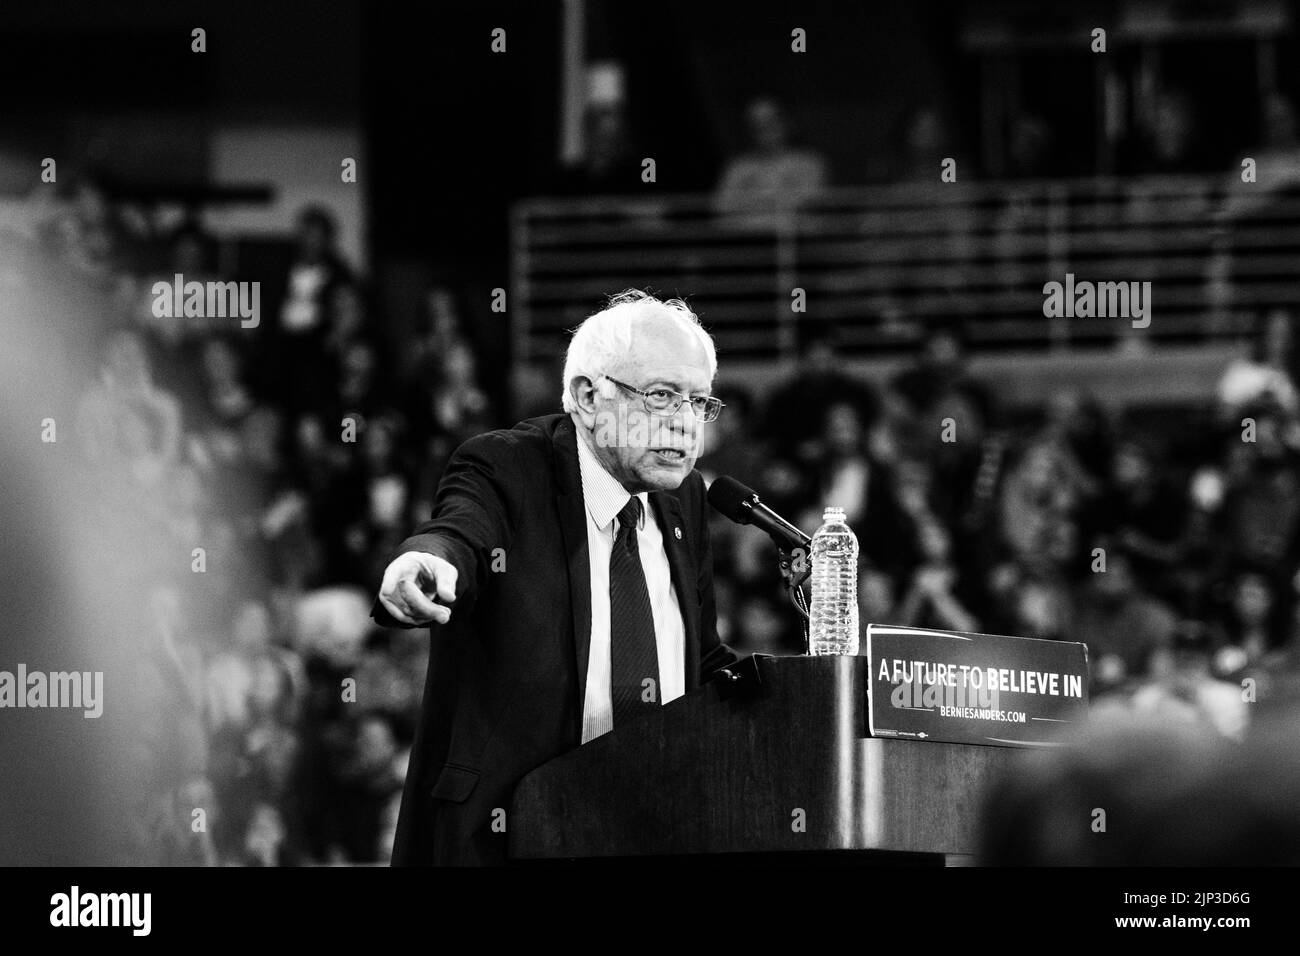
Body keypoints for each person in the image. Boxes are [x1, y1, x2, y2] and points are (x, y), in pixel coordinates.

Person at [373, 290, 739, 865]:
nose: (686, 424)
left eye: (698, 402)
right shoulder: (507, 467)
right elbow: (461, 532)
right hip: (511, 832)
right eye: (663, 396)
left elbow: (698, 657)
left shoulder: (684, 499)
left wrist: (800, 694)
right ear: (588, 397)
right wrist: (427, 561)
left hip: (655, 828)